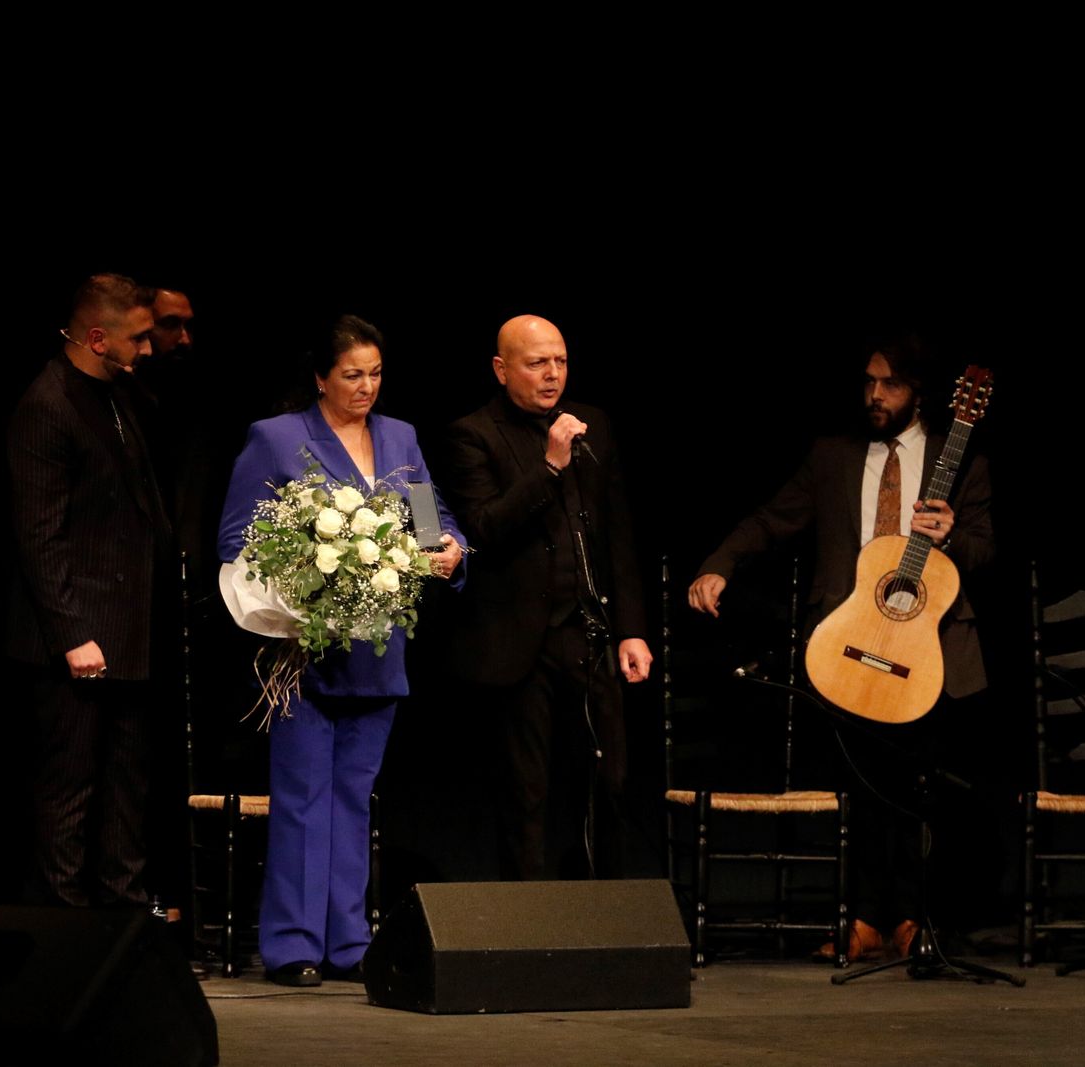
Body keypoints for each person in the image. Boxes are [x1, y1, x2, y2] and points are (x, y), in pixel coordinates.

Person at [686, 334, 994, 961]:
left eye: (891, 385)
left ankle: (912, 916)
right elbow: (772, 519)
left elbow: (986, 552)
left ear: (920, 393)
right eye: (869, 382)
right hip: (851, 643)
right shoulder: (833, 455)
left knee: (916, 786)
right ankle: (864, 918)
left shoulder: (958, 460)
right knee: (859, 785)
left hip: (928, 647)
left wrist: (953, 535)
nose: (875, 395)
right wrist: (720, 563)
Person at [217, 314, 465, 986]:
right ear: (321, 377)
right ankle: (294, 942)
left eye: (376, 374)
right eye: (352, 374)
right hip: (305, 650)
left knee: (354, 797)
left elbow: (429, 518)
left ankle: (349, 941)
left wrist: (449, 550)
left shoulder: (401, 437)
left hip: (377, 651)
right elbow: (238, 540)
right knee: (302, 796)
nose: (366, 387)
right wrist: (298, 590)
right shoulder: (278, 437)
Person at [440, 315, 652, 882]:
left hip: (590, 633)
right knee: (526, 792)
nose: (552, 374)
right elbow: (483, 526)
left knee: (611, 780)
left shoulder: (594, 425)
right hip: (519, 642)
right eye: (537, 363)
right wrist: (549, 466)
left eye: (560, 361)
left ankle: (609, 913)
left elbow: (618, 535)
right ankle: (528, 927)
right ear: (501, 368)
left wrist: (631, 627)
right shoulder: (473, 434)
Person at [6, 273, 172, 908]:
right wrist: (73, 633)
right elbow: (39, 535)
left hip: (129, 630)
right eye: (138, 338)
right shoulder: (47, 405)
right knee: (68, 790)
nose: (149, 350)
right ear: (98, 338)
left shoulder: (122, 396)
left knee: (128, 789)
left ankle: (123, 928)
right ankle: (61, 936)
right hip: (77, 642)